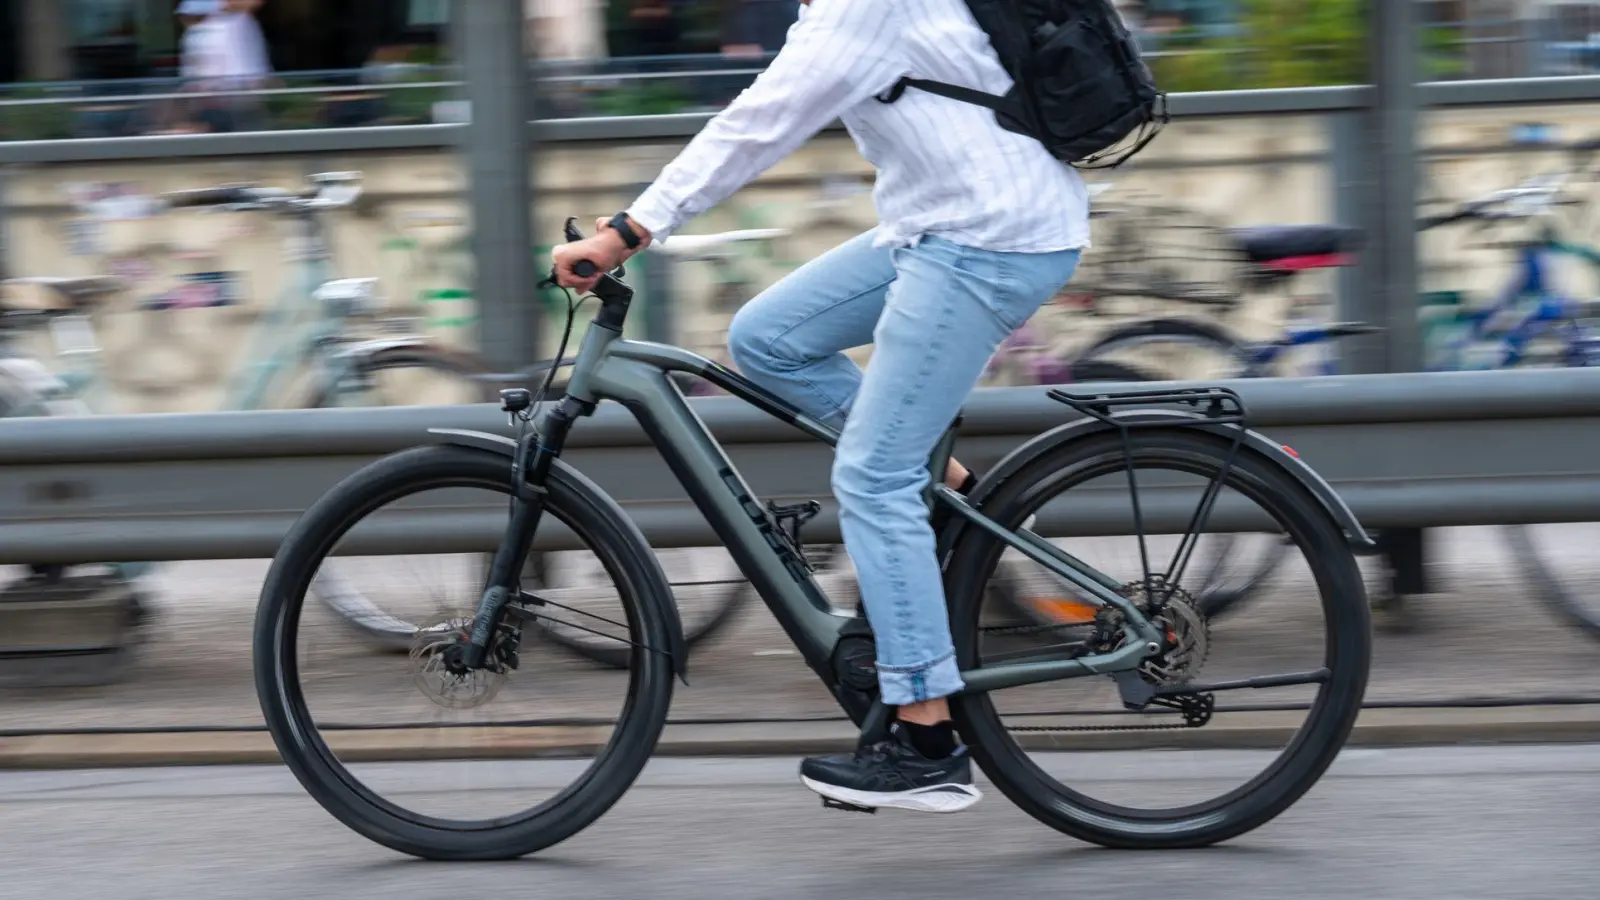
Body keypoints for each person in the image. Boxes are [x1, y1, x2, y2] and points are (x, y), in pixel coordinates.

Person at [552, 0, 1087, 814]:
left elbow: (760, 123)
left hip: (986, 237)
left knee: (873, 479)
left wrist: (628, 230)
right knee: (770, 338)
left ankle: (924, 739)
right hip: (940, 223)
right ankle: (946, 498)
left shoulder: (862, 4)